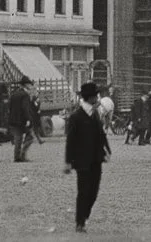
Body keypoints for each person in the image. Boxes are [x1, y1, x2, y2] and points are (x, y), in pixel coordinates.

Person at [64, 81, 112, 234]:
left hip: (96, 158)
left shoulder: (95, 113)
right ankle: (80, 222)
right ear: (90, 97)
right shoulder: (76, 117)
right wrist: (68, 162)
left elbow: (101, 134)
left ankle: (84, 216)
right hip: (82, 160)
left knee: (94, 191)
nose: (98, 98)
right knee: (83, 191)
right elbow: (70, 140)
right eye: (96, 95)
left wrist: (107, 149)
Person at [8, 79, 37, 162]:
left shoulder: (13, 94)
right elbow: (25, 108)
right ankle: (23, 155)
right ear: (26, 85)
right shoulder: (25, 95)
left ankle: (17, 157)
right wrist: (28, 119)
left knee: (18, 138)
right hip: (22, 120)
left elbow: (9, 106)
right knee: (30, 136)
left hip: (13, 119)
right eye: (30, 84)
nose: (30, 86)